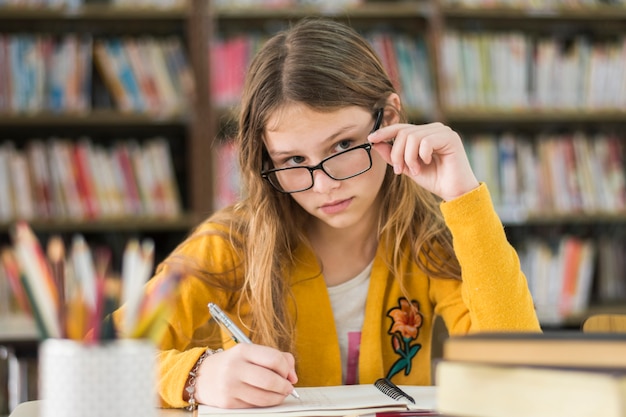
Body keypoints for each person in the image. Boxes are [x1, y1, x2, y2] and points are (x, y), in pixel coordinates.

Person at [114, 17, 541, 410]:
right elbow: (103, 356)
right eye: (293, 160)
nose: (324, 185)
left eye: (342, 146)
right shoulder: (229, 243)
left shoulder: (427, 236)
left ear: (389, 118)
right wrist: (195, 376)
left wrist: (463, 196)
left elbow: (521, 370)